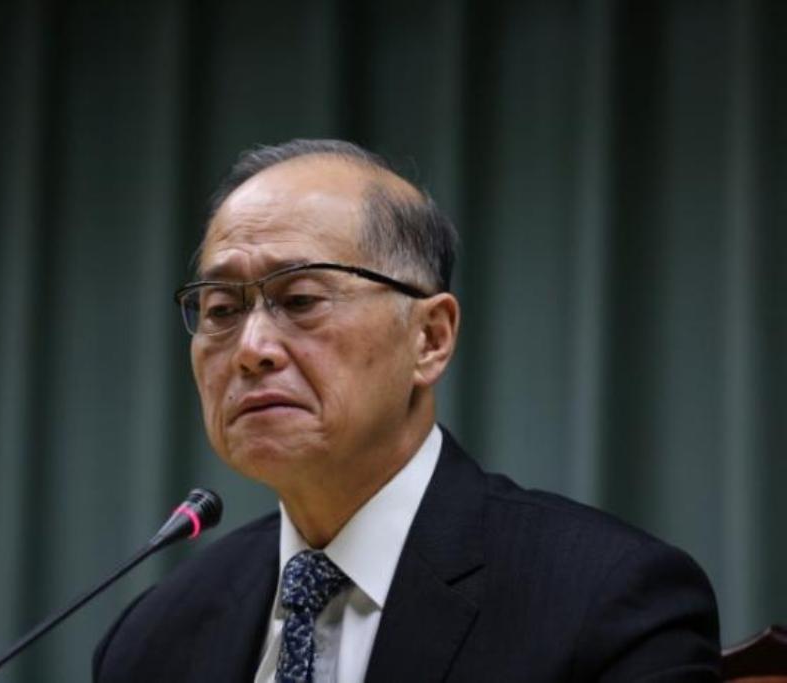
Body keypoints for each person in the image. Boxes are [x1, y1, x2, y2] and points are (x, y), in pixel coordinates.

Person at [92, 140, 721, 682]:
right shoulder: (153, 639)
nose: (252, 349)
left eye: (302, 298)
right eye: (222, 310)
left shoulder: (608, 600)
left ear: (430, 339)